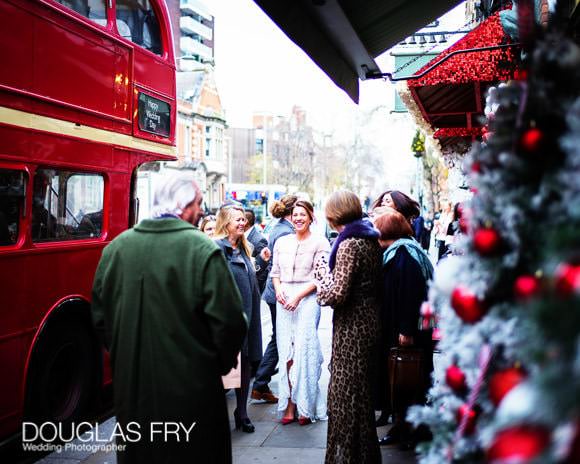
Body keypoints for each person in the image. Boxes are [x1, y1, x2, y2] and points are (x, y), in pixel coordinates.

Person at [91, 173, 247, 464]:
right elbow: (230, 323)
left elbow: (101, 321)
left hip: (134, 395)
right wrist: (215, 365)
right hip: (193, 397)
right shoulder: (203, 250)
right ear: (182, 205)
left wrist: (127, 357)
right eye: (199, 203)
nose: (202, 211)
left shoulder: (115, 249)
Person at [315, 190, 382, 464]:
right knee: (361, 399)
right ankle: (364, 456)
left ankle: (343, 458)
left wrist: (321, 276)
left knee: (345, 400)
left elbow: (337, 293)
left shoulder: (349, 244)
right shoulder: (369, 239)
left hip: (352, 329)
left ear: (334, 214)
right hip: (367, 322)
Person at [373, 209, 434, 449]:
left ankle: (409, 431)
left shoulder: (404, 256)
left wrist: (406, 330)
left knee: (407, 383)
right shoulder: (401, 251)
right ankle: (403, 428)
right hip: (401, 326)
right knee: (403, 383)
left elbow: (411, 295)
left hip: (406, 331)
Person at [270, 200, 330, 425]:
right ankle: (289, 404)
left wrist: (298, 296)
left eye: (302, 214)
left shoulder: (320, 242)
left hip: (307, 298)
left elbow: (320, 277)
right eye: (295, 214)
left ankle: (305, 404)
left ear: (311, 217)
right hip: (284, 297)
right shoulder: (282, 242)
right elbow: (274, 272)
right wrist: (279, 291)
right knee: (286, 351)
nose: (298, 218)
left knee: (304, 351)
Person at [214, 203, 263, 433]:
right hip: (228, 319)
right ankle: (221, 417)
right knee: (229, 370)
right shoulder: (216, 248)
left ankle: (241, 412)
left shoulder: (245, 248)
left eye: (244, 219)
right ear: (226, 223)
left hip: (247, 315)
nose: (243, 223)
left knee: (244, 367)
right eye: (237, 220)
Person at [251, 194, 297, 403]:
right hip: (277, 290)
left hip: (273, 290)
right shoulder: (285, 231)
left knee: (279, 338)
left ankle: (261, 383)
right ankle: (260, 383)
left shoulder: (278, 226)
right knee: (280, 339)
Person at [244, 209, 270, 293]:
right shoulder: (242, 236)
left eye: (240, 219)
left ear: (246, 221)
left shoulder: (259, 240)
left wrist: (256, 286)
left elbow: (264, 267)